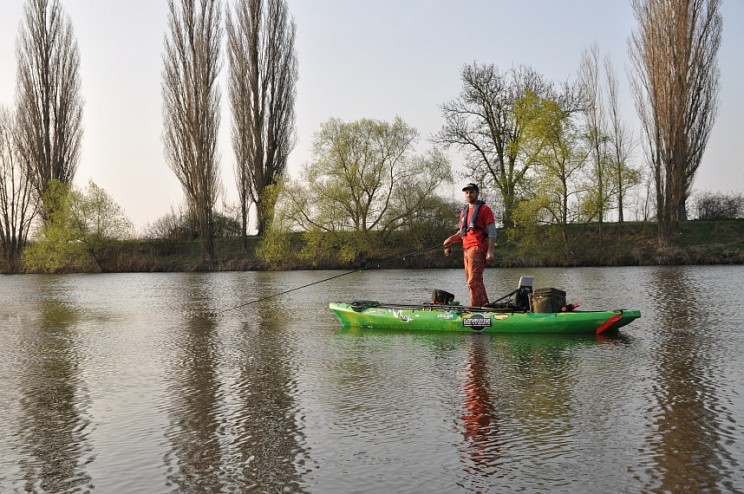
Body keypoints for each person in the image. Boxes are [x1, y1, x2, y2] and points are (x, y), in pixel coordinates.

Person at [443, 183, 497, 307]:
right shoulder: (463, 212)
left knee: (473, 282)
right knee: (474, 281)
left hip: (477, 249)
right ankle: (484, 306)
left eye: (471, 192)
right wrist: (450, 240)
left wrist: (490, 251)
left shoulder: (485, 209)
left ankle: (474, 310)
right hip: (466, 250)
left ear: (477, 194)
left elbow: (492, 232)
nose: (469, 194)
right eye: (466, 192)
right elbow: (462, 233)